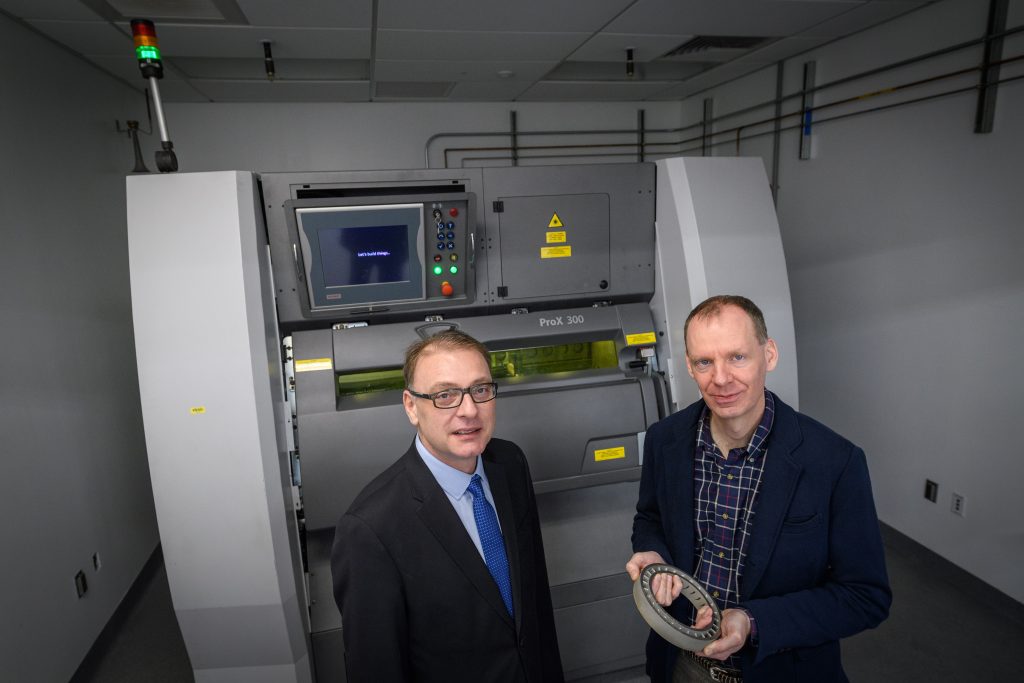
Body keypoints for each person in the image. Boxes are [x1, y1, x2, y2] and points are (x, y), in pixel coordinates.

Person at [627, 295, 890, 682]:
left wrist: (751, 621)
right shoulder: (665, 440)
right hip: (680, 665)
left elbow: (865, 596)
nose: (720, 378)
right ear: (689, 366)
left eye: (737, 357)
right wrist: (653, 553)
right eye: (705, 362)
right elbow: (650, 517)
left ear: (769, 355)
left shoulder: (834, 461)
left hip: (781, 671)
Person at [331, 329, 564, 682]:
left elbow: (535, 607)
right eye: (445, 395)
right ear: (411, 406)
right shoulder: (370, 528)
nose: (469, 410)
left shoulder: (510, 464)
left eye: (481, 390)